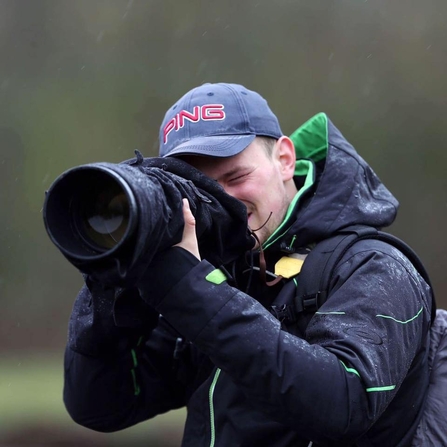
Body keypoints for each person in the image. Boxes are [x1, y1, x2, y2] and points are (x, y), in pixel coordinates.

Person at [63, 83, 433, 446]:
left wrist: (193, 291)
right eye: (199, 189)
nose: (222, 201)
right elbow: (100, 406)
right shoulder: (217, 274)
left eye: (236, 177)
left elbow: (344, 404)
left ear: (285, 159)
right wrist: (111, 287)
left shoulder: (374, 266)